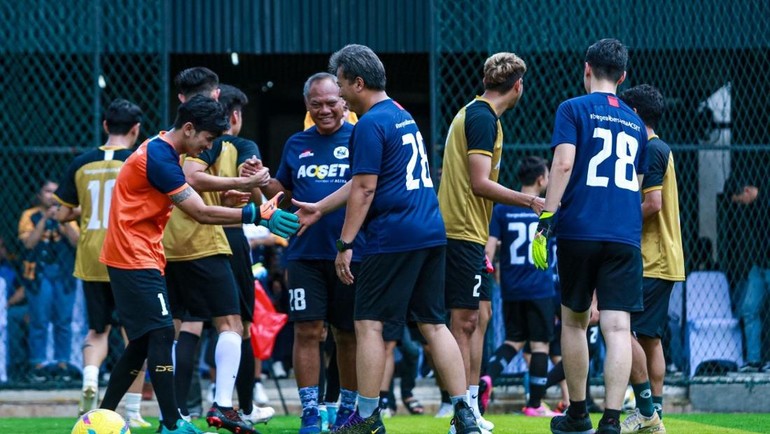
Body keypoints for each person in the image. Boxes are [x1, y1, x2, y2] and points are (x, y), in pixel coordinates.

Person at [294, 43, 480, 434]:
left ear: (357, 82)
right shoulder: (400, 115)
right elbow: (363, 180)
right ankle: (465, 411)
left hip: (393, 234)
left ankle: (367, 417)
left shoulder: (368, 124)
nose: (340, 95)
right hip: (430, 231)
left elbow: (364, 188)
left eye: (342, 85)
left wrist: (344, 245)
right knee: (433, 323)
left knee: (368, 324)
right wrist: (320, 208)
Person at [97, 95, 299, 434]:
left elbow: (196, 201)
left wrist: (234, 195)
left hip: (141, 253)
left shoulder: (164, 150)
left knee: (145, 340)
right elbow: (200, 212)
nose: (208, 145)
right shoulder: (160, 157)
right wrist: (256, 214)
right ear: (189, 129)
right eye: (207, 139)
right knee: (162, 332)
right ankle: (173, 423)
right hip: (132, 256)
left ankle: (100, 417)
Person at [532, 38, 648, 434]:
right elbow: (635, 181)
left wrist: (547, 217)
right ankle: (612, 421)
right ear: (623, 76)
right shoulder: (635, 121)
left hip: (581, 229)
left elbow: (563, 163)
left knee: (575, 322)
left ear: (586, 69)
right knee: (618, 328)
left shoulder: (572, 109)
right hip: (624, 234)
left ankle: (578, 413)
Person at [437, 52, 542, 431]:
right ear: (518, 85)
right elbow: (480, 183)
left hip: (471, 234)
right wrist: (530, 199)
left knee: (479, 317)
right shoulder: (482, 118)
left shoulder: (482, 116)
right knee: (463, 320)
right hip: (459, 232)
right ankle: (461, 412)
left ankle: (470, 407)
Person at [163, 84, 275, 432]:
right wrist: (251, 188)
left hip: (170, 243)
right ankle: (232, 405)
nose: (209, 145)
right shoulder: (232, 144)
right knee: (234, 323)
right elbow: (198, 183)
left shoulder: (159, 148)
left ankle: (175, 414)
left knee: (183, 326)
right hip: (213, 240)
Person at [258, 72, 360, 434]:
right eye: (316, 104)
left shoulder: (362, 137)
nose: (324, 110)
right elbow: (282, 193)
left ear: (345, 102)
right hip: (303, 254)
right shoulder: (296, 143)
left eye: (331, 102)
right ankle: (311, 413)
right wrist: (262, 180)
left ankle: (348, 413)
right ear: (307, 106)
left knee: (347, 334)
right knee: (307, 331)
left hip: (351, 254)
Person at [53, 98, 151, 426]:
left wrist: (87, 211)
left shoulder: (81, 163)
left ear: (106, 125)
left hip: (91, 254)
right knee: (134, 336)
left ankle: (90, 379)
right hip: (127, 254)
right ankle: (133, 411)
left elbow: (63, 212)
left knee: (97, 330)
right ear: (136, 129)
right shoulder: (139, 161)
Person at [616, 84, 683, 433]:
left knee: (622, 329)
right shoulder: (659, 148)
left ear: (636, 115)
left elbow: (653, 204)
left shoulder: (651, 149)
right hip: (663, 259)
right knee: (650, 338)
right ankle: (654, 415)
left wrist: (618, 221)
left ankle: (645, 411)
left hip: (652, 259)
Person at [483, 156, 561, 417]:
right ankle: (535, 404)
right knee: (540, 346)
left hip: (511, 287)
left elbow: (490, 247)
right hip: (540, 288)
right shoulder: (548, 208)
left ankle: (487, 378)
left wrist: (491, 272)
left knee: (513, 340)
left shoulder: (503, 207)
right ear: (541, 179)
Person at [18, 179, 79, 383]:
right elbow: (28, 243)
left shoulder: (68, 214)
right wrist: (44, 219)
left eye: (55, 192)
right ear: (39, 195)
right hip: (39, 273)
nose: (51, 196)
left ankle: (62, 364)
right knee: (39, 320)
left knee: (63, 320)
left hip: (63, 273)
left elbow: (77, 241)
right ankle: (38, 365)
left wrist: (61, 221)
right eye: (47, 192)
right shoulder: (30, 215)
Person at [0, 236, 27, 383]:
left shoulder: (10, 268)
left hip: (10, 308)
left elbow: (23, 289)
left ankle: (17, 366)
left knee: (12, 317)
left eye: (2, 247)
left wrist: (7, 303)